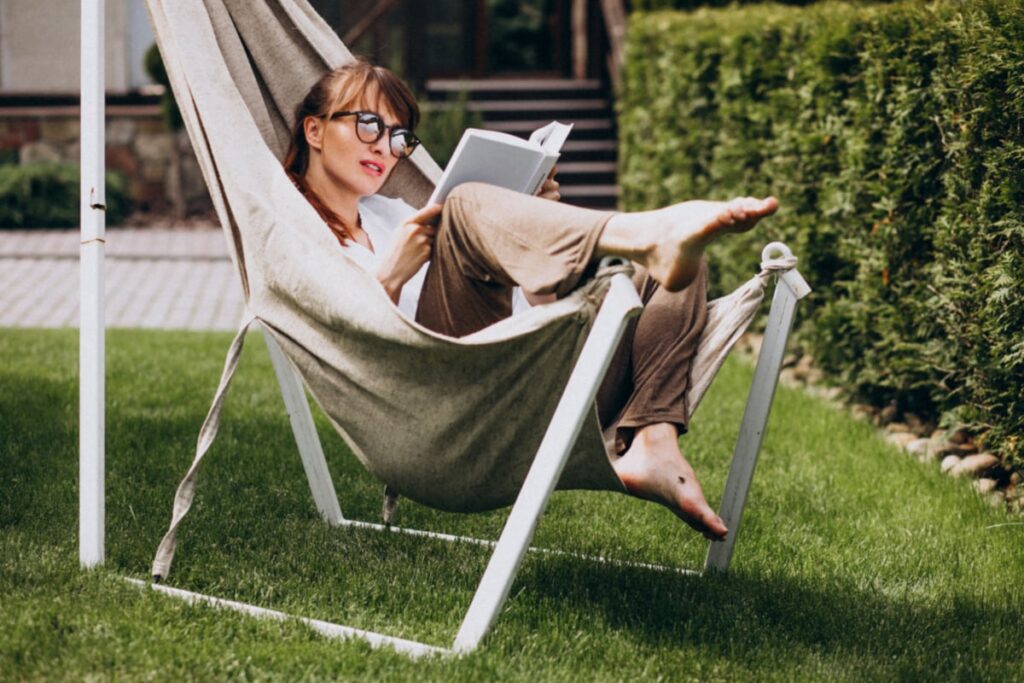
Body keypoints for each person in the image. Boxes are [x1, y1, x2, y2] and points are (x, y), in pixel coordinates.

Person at [283, 61, 779, 542]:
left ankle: (653, 436)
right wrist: (392, 273)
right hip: (444, 416)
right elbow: (348, 343)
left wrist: (532, 228)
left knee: (675, 271)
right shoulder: (294, 234)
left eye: (399, 137)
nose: (387, 148)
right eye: (369, 125)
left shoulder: (391, 213)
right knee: (464, 205)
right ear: (315, 130)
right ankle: (641, 231)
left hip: (526, 389)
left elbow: (534, 309)